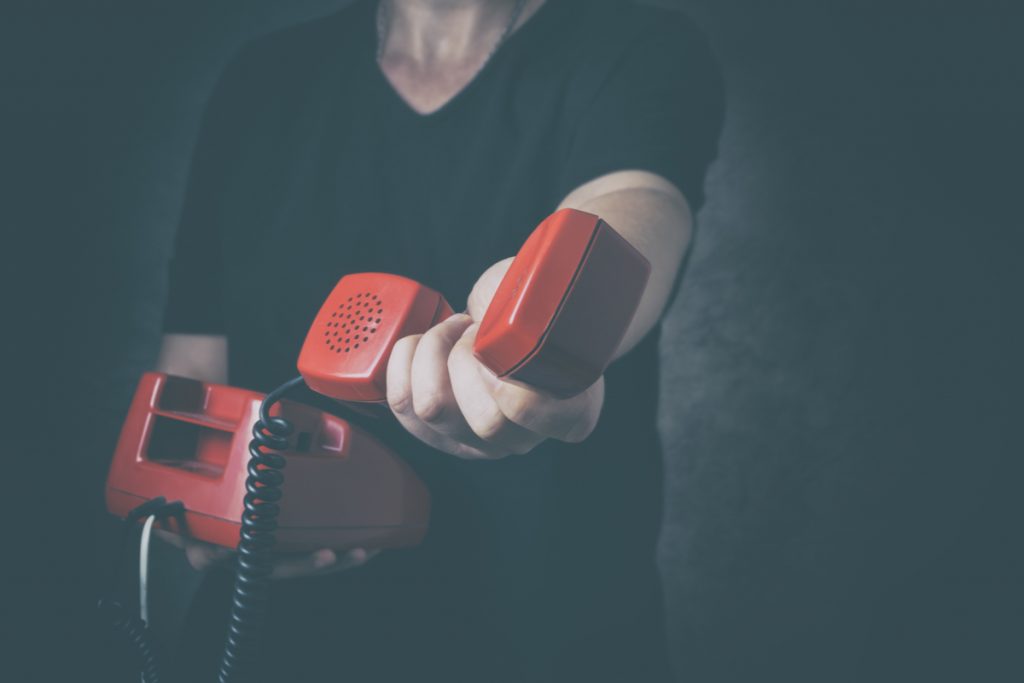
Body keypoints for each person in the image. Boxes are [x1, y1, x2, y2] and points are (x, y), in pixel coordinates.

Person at [156, 0, 723, 680]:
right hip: (275, 633)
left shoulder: (635, 46)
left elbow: (635, 209)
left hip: (544, 637)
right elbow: (188, 374)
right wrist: (193, 505)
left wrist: (549, 346)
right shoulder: (261, 79)